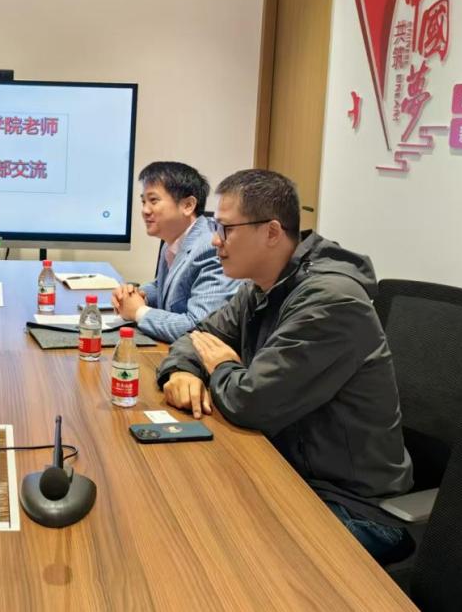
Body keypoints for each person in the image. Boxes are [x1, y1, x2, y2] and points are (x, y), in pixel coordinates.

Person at [156, 168, 414, 564]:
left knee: (216, 557)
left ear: (272, 232)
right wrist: (182, 370)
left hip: (351, 506)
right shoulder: (262, 285)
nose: (215, 240)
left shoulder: (331, 301)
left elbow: (249, 402)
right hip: (283, 468)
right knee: (182, 517)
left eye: (225, 229)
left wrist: (221, 366)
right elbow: (198, 336)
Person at [111, 162, 238, 342]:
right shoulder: (173, 239)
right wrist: (136, 295)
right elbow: (164, 286)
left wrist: (139, 311)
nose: (145, 210)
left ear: (188, 205)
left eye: (153, 200)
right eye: (143, 201)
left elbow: (199, 328)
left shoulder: (211, 247)